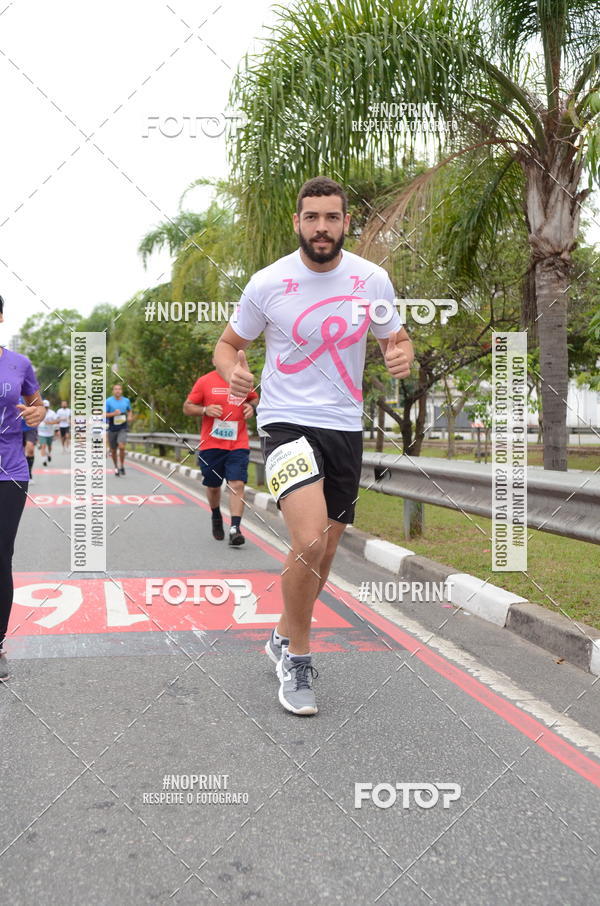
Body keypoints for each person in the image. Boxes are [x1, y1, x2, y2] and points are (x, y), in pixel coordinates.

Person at [214, 176, 414, 716]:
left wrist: (402, 354)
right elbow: (229, 344)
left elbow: (394, 337)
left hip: (345, 426)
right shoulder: (269, 283)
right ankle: (298, 659)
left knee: (325, 550)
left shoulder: (372, 280)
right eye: (312, 218)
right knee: (306, 539)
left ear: (346, 223)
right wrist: (234, 371)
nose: (321, 227)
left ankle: (282, 632)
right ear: (297, 223)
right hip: (285, 423)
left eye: (331, 217)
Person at [0, 295, 45, 679]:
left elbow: (38, 404)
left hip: (9, 472)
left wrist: (37, 412)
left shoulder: (18, 363)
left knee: (1, 556)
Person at [183, 369, 258, 545]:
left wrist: (252, 407)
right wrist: (204, 409)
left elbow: (255, 398)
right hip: (211, 445)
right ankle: (216, 515)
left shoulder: (242, 379)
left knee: (237, 484)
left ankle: (235, 528)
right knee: (213, 486)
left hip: (238, 443)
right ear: (215, 359)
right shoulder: (204, 381)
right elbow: (187, 407)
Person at [105, 383, 133, 476]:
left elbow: (129, 410)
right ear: (113, 391)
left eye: (119, 389)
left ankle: (122, 465)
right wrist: (113, 414)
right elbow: (104, 414)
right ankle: (116, 467)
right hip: (112, 428)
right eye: (116, 389)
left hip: (123, 427)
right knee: (113, 450)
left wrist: (129, 416)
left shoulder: (126, 401)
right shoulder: (108, 401)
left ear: (121, 391)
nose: (117, 391)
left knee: (121, 446)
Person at [20, 397, 37, 482]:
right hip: (16, 428)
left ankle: (29, 473)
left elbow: (39, 408)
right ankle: (22, 473)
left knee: (30, 449)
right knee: (20, 453)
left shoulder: (31, 394)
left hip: (30, 427)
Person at [37, 400, 57, 466]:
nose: (45, 408)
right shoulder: (38, 412)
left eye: (46, 407)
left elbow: (57, 421)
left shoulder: (52, 413)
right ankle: (44, 460)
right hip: (41, 433)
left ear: (48, 407)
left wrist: (49, 423)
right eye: (44, 407)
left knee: (49, 447)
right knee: (43, 446)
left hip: (50, 433)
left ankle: (48, 454)